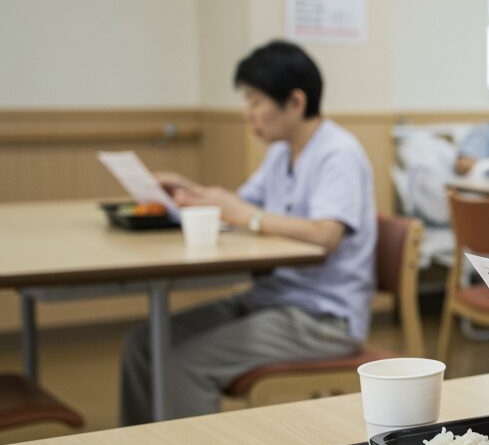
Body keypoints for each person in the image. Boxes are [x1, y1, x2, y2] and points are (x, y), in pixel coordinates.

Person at [121, 40, 376, 424]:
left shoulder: (338, 153)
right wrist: (188, 194)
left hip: (323, 316)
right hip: (271, 298)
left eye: (255, 102)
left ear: (295, 102)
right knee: (143, 344)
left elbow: (326, 234)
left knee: (182, 363)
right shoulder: (280, 152)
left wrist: (248, 216)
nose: (247, 115)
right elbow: (238, 208)